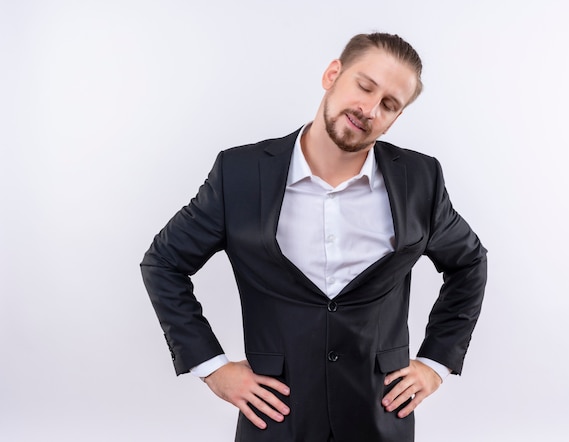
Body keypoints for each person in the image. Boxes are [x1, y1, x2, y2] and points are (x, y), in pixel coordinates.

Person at [140, 32, 487, 442]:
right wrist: (211, 366)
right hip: (275, 417)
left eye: (390, 105)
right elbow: (164, 263)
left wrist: (436, 363)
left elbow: (468, 263)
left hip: (380, 416)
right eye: (365, 86)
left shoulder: (420, 179)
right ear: (332, 74)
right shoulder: (239, 173)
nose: (370, 109)